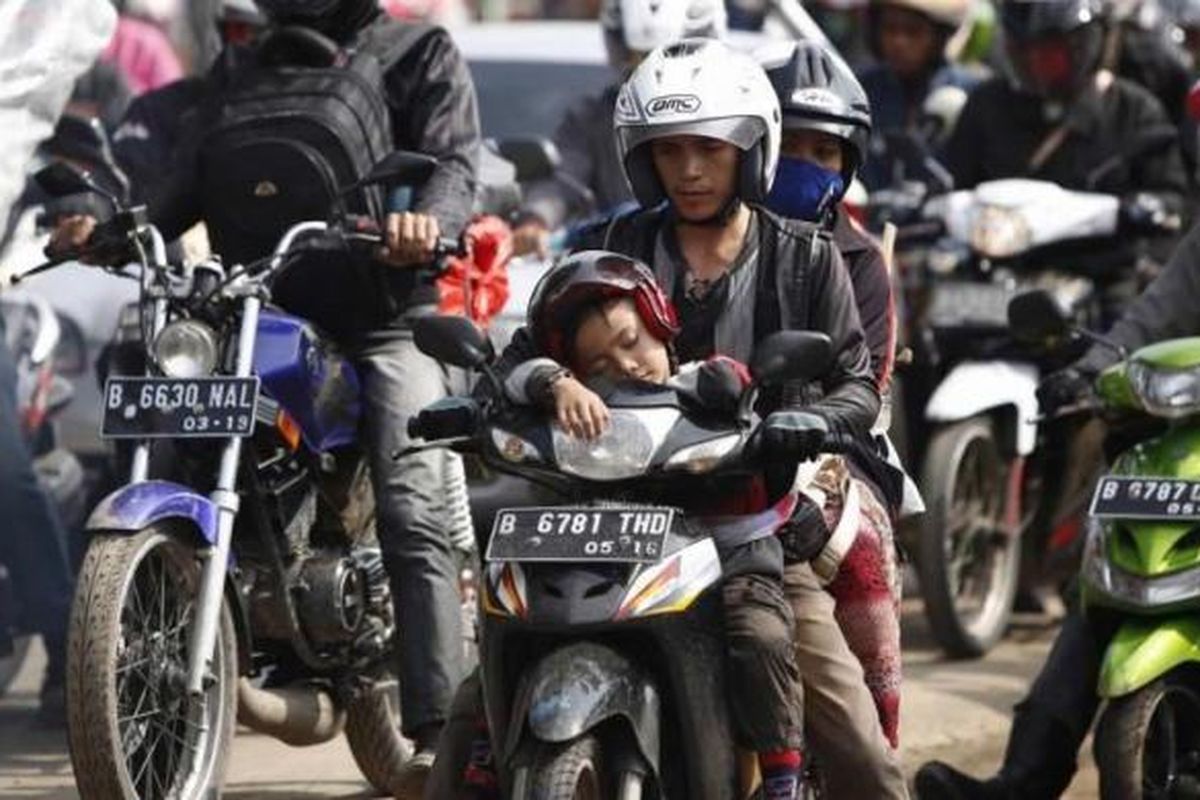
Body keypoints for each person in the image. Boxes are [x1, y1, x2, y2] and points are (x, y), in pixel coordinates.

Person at [439, 38, 908, 800]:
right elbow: (521, 352)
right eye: (669, 152)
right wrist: (549, 380)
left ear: (749, 150)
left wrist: (809, 422)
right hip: (604, 516)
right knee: (472, 716)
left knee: (856, 744)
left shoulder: (806, 258)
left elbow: (855, 383)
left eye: (707, 150)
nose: (688, 170)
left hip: (747, 525)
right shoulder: (605, 246)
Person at [48, 0, 481, 792]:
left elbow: (454, 163)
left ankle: (440, 733)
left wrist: (428, 222)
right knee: (176, 431)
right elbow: (170, 188)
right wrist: (98, 222)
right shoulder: (241, 74)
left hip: (383, 319)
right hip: (256, 314)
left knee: (412, 499)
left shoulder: (417, 51)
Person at [915, 219, 1200, 800]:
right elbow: (1156, 316)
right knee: (1111, 586)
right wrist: (1087, 374)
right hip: (1184, 446)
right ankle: (1024, 779)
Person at [759, 38, 907, 750]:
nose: (806, 166)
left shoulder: (857, 260)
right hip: (696, 446)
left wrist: (803, 426)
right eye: (794, 145)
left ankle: (873, 745)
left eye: (826, 152)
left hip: (827, 451)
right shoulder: (707, 232)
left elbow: (862, 385)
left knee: (863, 557)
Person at [509, 0, 727, 257]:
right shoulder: (592, 118)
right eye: (640, 55)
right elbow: (563, 180)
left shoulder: (734, 111)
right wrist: (536, 220)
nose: (652, 69)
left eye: (708, 147)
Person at [857, 0, 982, 188]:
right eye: (890, 29)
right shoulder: (861, 89)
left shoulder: (971, 92)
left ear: (939, 37)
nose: (898, 42)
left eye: (913, 32)